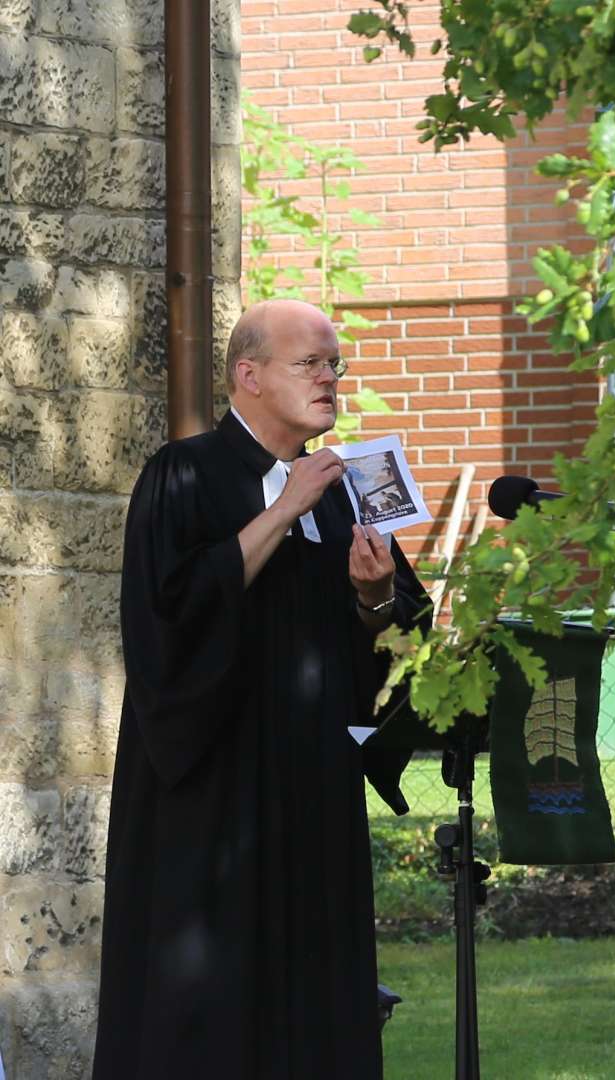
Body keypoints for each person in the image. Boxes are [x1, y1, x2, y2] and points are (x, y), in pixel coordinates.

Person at [92, 300, 429, 1079]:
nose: (329, 379)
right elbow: (170, 618)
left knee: (314, 990)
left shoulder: (345, 488)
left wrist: (372, 597)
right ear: (248, 374)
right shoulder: (183, 474)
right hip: (212, 787)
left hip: (312, 782)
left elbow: (394, 626)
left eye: (334, 364)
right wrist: (284, 509)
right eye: (309, 363)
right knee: (210, 1002)